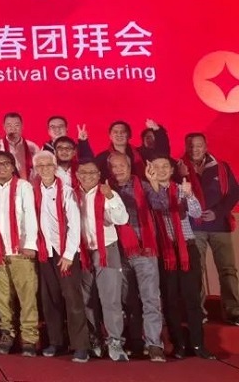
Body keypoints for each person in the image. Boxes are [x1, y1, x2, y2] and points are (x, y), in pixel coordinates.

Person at [145, 155, 215, 359]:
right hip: (165, 251)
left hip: (187, 248)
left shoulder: (181, 188)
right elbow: (159, 205)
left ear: (172, 170)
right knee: (170, 300)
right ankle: (179, 345)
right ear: (150, 170)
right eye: (156, 166)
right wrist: (153, 184)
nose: (161, 169)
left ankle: (198, 344)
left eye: (165, 166)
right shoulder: (148, 191)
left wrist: (190, 195)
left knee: (192, 298)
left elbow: (196, 213)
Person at [107, 151, 166, 362]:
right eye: (114, 166)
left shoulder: (143, 185)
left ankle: (154, 344)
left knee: (150, 299)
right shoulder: (106, 188)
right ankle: (135, 342)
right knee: (127, 301)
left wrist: (155, 182)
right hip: (118, 252)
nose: (118, 169)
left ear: (130, 167)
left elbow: (160, 205)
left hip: (144, 251)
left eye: (122, 165)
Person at [32, 150, 90, 362]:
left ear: (55, 167)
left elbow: (74, 224)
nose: (45, 169)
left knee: (72, 298)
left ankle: (80, 345)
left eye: (48, 165)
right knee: (50, 299)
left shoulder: (67, 191)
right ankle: (56, 342)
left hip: (65, 251)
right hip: (45, 251)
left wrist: (68, 254)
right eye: (40, 166)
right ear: (36, 169)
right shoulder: (32, 191)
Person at [180, 132, 239, 325]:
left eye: (198, 145)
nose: (194, 149)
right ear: (186, 147)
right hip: (193, 227)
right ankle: (198, 311)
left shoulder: (221, 167)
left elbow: (234, 193)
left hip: (219, 226)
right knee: (197, 270)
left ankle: (233, 310)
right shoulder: (179, 167)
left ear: (205, 146)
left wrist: (218, 212)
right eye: (190, 145)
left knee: (227, 269)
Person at [0, 151, 40, 357]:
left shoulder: (23, 186)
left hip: (20, 250)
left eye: (6, 163)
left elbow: (30, 215)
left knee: (27, 297)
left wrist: (30, 244)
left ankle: (29, 338)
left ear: (13, 166)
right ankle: (7, 334)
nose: (2, 167)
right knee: (2, 298)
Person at [75, 158, 130, 361]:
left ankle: (115, 341)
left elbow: (122, 219)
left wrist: (110, 197)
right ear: (77, 175)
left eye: (92, 173)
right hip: (82, 251)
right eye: (83, 173)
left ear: (99, 175)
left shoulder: (107, 193)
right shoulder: (72, 194)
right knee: (86, 299)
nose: (87, 176)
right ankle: (94, 338)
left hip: (106, 249)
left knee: (110, 298)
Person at [0, 112, 40, 180]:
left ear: (22, 126)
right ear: (4, 127)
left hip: (29, 184)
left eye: (17, 125)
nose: (13, 129)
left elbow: (39, 169)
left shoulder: (32, 147)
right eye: (9, 125)